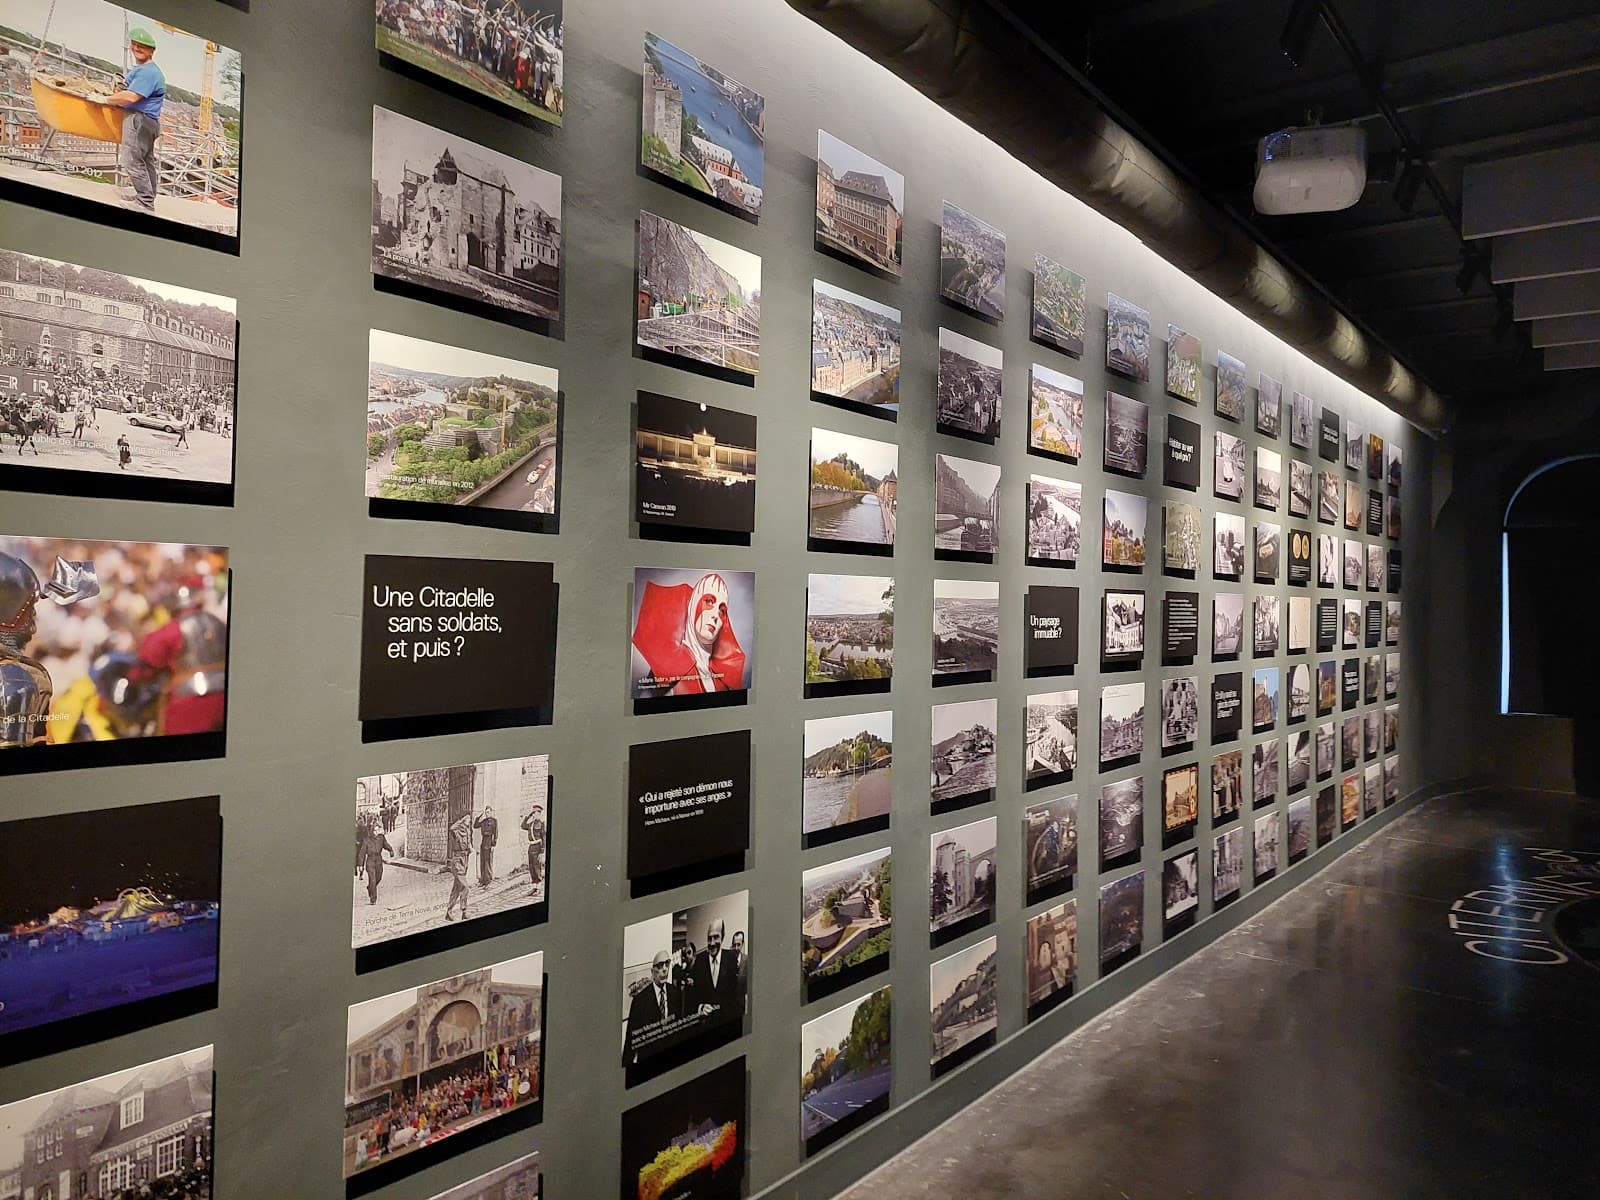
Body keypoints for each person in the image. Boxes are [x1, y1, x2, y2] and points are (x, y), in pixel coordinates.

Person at [130, 575, 227, 735]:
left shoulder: (172, 630)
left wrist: (136, 677)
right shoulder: (217, 622)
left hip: (190, 699)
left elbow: (147, 661)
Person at [630, 571, 746, 695]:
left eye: (722, 610)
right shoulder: (669, 669)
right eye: (709, 601)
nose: (715, 615)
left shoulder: (722, 678)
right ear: (693, 604)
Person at [103, 28, 166, 214]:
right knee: (146, 161)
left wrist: (106, 99)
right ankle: (147, 196)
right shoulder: (147, 70)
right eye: (135, 44)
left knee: (131, 160)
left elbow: (131, 97)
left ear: (151, 51)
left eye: (142, 46)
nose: (137, 48)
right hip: (149, 121)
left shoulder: (148, 72)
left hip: (139, 120)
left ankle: (145, 202)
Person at [622, 950, 679, 1066]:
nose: (664, 969)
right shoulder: (640, 1001)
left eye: (667, 963)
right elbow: (630, 1041)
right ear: (652, 972)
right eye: (660, 965)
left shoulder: (675, 993)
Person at [687, 918, 741, 1017]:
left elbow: (735, 995)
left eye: (716, 937)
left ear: (723, 937)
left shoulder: (731, 958)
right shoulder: (699, 961)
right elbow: (692, 997)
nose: (712, 943)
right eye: (709, 938)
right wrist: (701, 1007)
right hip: (705, 1022)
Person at [444, 811, 472, 921]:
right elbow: (451, 828)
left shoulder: (467, 831)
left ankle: (449, 912)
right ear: (463, 820)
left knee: (456, 888)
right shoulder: (456, 831)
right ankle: (464, 911)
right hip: (457, 861)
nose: (469, 821)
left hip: (464, 860)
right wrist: (460, 821)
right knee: (465, 887)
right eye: (467, 819)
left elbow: (468, 845)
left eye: (469, 819)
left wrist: (470, 848)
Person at [361, 822, 394, 906]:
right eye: (375, 831)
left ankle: (370, 888)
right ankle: (373, 899)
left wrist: (391, 850)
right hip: (370, 861)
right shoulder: (366, 840)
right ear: (371, 831)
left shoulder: (381, 838)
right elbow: (362, 853)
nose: (376, 832)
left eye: (377, 830)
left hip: (379, 860)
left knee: (378, 878)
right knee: (372, 879)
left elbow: (386, 845)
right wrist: (360, 865)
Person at [520, 804, 546, 892]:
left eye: (536, 813)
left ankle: (538, 886)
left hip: (537, 846)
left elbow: (544, 838)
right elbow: (523, 826)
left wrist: (542, 851)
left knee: (536, 866)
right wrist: (528, 816)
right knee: (531, 866)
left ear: (539, 814)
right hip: (531, 847)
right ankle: (534, 886)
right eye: (533, 813)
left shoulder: (541, 824)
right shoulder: (531, 824)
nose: (535, 815)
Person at [473, 804, 498, 888]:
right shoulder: (483, 821)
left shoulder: (494, 821)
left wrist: (493, 844)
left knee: (487, 862)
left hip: (489, 841)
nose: (487, 814)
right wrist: (479, 816)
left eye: (488, 812)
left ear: (491, 812)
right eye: (486, 812)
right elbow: (475, 825)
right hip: (483, 841)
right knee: (482, 861)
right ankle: (483, 880)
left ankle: (488, 880)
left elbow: (496, 833)